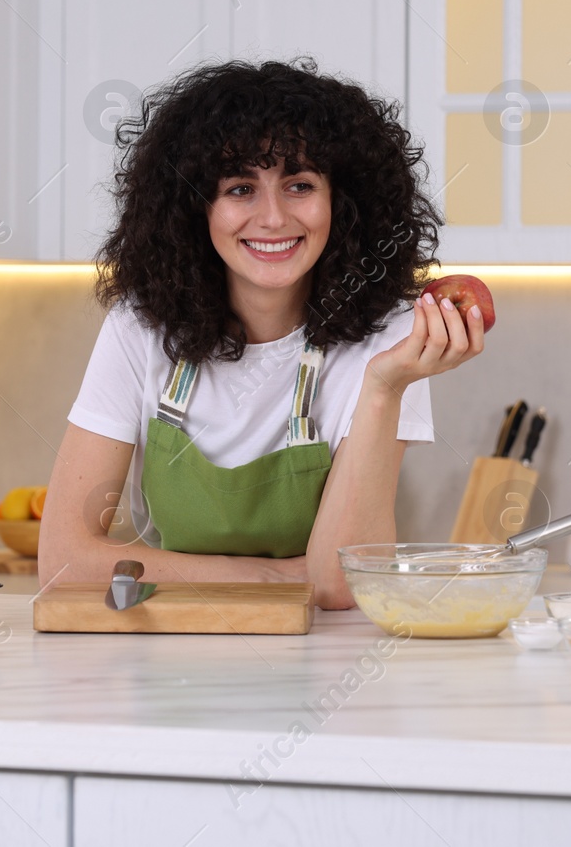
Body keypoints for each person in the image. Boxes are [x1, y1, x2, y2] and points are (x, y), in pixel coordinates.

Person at [38, 59, 484, 608]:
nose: (272, 218)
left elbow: (343, 584)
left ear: (342, 204)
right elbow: (63, 561)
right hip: (170, 656)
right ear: (194, 209)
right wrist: (283, 577)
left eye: (299, 184)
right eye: (240, 188)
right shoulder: (138, 329)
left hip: (328, 667)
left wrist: (385, 386)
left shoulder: (389, 337)